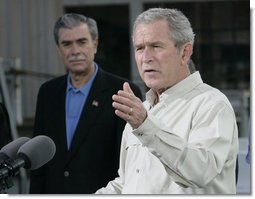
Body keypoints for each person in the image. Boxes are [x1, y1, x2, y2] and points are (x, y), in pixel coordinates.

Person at [95, 8, 238, 194]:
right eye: (139, 48)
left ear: (185, 53)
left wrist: (145, 125)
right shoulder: (141, 110)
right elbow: (127, 183)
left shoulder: (212, 104)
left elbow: (201, 172)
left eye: (156, 46)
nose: (146, 58)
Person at [29, 13, 142, 194]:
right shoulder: (47, 92)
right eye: (67, 44)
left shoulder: (122, 91)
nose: (75, 51)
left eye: (82, 42)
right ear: (59, 49)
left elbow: (131, 163)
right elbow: (38, 162)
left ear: (95, 45)